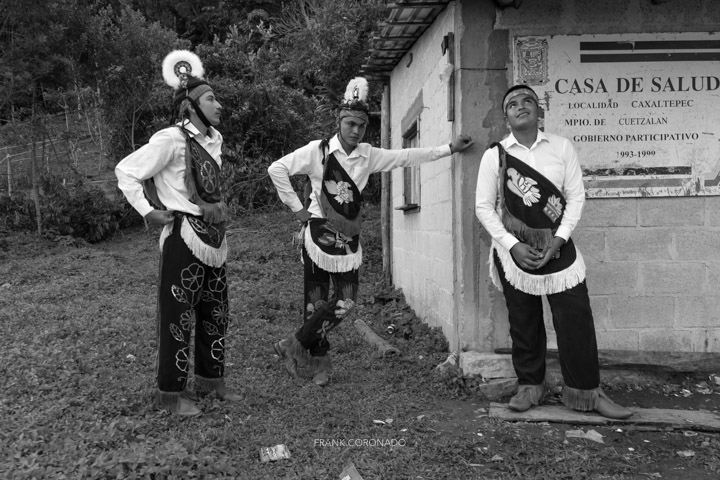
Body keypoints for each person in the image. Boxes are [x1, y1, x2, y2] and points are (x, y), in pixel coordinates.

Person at [268, 77, 473, 387]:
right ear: (339, 121)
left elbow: (406, 157)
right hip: (317, 235)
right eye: (350, 123)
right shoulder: (317, 151)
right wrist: (298, 210)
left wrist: (448, 148)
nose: (355, 130)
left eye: (361, 126)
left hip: (349, 239)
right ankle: (320, 365)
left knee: (347, 301)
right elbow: (277, 169)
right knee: (316, 300)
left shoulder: (368, 154)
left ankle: (293, 344)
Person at [474, 84, 633, 419]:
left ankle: (586, 393)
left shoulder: (562, 147)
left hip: (558, 248)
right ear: (506, 117)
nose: (521, 106)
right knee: (523, 321)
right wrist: (514, 246)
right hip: (513, 253)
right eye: (512, 103)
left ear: (538, 110)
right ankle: (530, 386)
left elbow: (575, 197)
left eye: (527, 101)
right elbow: (483, 208)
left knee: (575, 317)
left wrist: (558, 240)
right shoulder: (496, 155)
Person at [115, 50, 240, 416]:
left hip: (213, 237)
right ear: (190, 107)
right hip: (183, 237)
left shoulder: (213, 141)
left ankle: (210, 380)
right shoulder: (170, 139)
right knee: (178, 316)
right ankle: (170, 394)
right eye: (210, 98)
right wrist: (148, 211)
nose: (219, 104)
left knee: (216, 312)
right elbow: (126, 171)